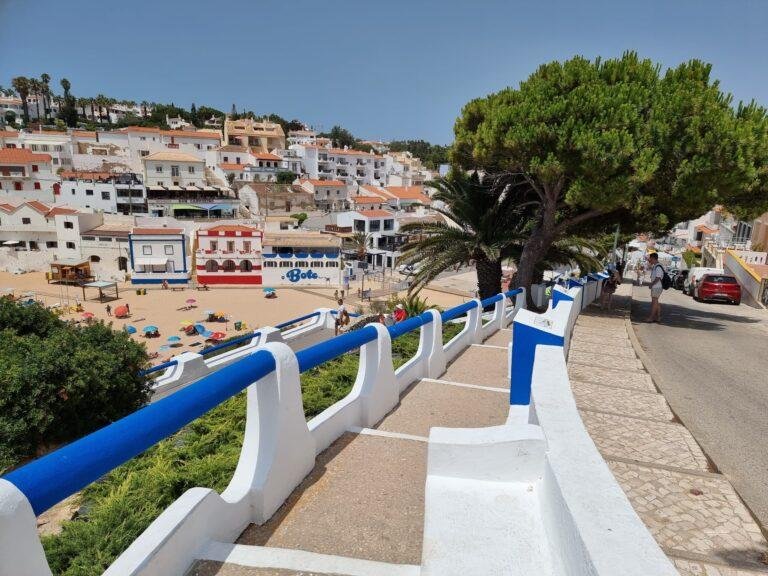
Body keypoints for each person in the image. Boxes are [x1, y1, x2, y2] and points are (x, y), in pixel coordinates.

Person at [645, 252, 664, 323]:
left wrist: (651, 284)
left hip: (657, 287)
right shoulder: (656, 266)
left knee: (654, 303)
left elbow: (658, 278)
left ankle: (651, 318)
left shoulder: (658, 267)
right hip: (657, 287)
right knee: (656, 302)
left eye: (650, 259)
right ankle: (658, 317)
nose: (650, 260)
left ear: (653, 258)